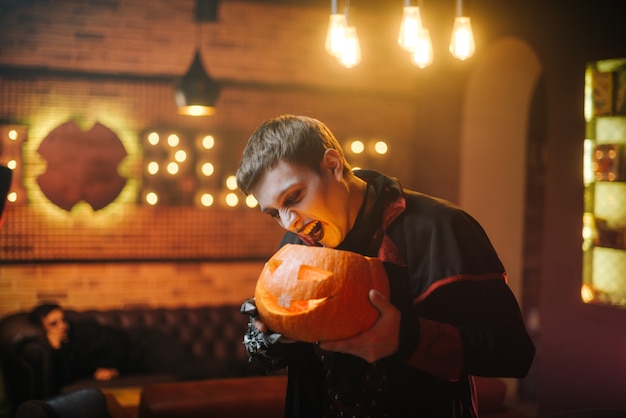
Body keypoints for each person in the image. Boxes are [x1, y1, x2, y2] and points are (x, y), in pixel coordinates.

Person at [236, 115, 536, 418]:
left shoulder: (442, 228)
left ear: (332, 165)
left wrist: (407, 338)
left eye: (294, 197)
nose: (289, 222)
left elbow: (514, 353)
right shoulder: (294, 245)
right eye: (274, 212)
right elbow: (268, 357)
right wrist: (268, 334)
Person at [28, 303, 130, 393]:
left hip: (137, 347)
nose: (62, 326)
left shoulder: (81, 330)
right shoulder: (59, 345)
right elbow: (67, 378)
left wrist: (114, 368)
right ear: (42, 329)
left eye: (63, 320)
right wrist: (57, 348)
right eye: (54, 324)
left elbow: (120, 337)